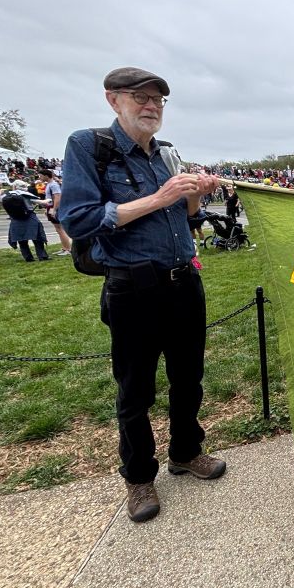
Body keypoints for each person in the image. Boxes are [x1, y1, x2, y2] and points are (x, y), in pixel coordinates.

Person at [60, 66, 224, 523]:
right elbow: (78, 220)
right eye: (141, 97)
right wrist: (160, 196)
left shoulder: (166, 155)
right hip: (133, 287)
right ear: (114, 100)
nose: (151, 106)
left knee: (189, 377)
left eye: (158, 100)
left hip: (184, 280)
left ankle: (186, 451)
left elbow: (187, 218)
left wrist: (195, 194)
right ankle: (138, 477)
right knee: (135, 391)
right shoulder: (90, 147)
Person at [0, 180, 50, 262]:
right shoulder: (26, 194)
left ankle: (28, 257)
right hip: (30, 217)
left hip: (15, 219)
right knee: (37, 237)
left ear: (14, 186)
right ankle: (42, 256)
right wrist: (49, 200)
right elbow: (42, 202)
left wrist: (0, 192)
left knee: (22, 239)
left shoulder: (8, 195)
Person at [39, 169, 72, 256]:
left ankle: (68, 249)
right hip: (50, 207)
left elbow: (57, 197)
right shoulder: (49, 185)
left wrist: (54, 209)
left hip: (54, 208)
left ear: (46, 176)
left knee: (60, 229)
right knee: (58, 229)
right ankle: (65, 247)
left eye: (41, 176)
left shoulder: (53, 185)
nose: (40, 177)